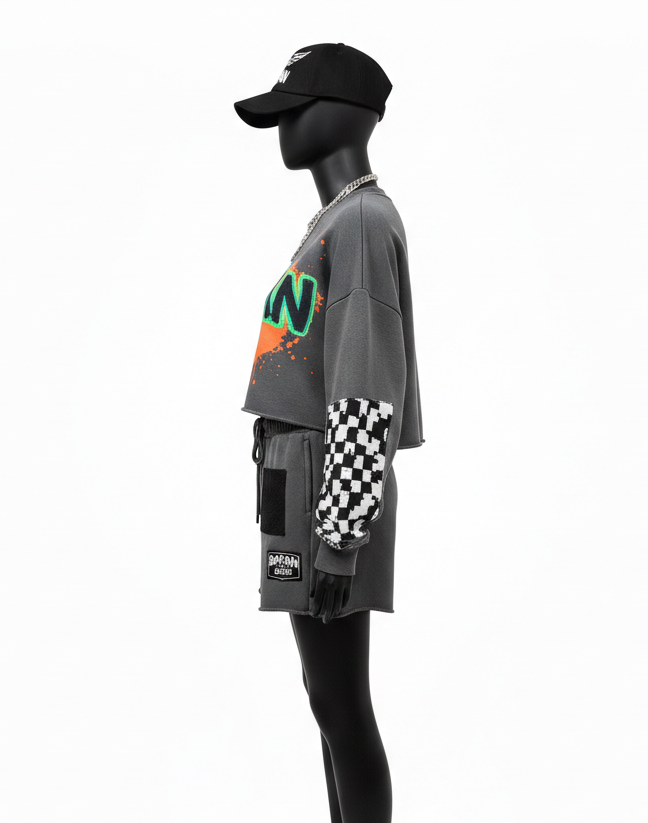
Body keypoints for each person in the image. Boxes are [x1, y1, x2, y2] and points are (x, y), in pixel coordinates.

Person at [234, 43, 424, 823]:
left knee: (342, 702)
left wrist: (339, 537)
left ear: (344, 113)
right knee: (325, 697)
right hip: (297, 482)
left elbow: (365, 386)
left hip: (327, 491)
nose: (283, 128)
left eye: (295, 109)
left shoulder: (362, 222)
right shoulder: (336, 220)